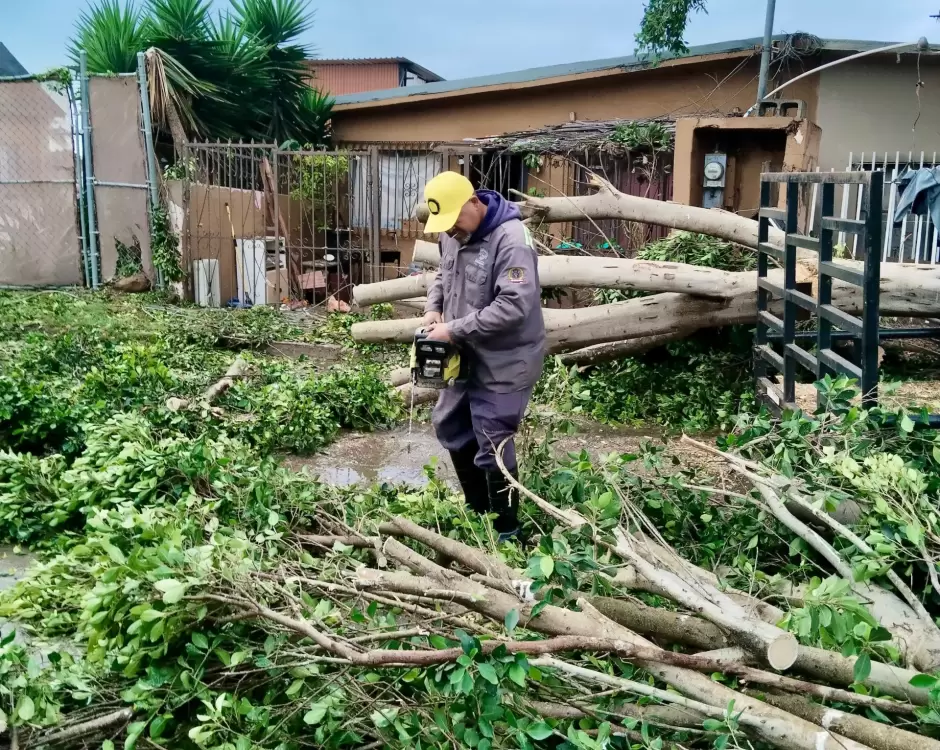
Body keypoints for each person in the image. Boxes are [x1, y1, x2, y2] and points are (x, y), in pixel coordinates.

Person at [420, 171, 546, 540]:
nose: (452, 232)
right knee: (450, 425)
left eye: (456, 222)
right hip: (465, 351)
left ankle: (508, 532)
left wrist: (452, 330)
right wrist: (433, 309)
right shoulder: (451, 234)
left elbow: (514, 306)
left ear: (474, 202)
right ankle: (480, 514)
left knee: (492, 441)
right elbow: (443, 276)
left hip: (507, 358)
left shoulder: (512, 240)